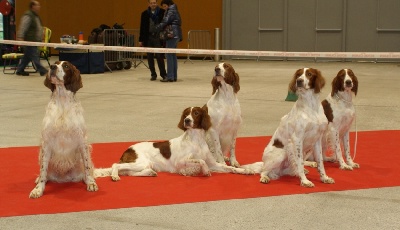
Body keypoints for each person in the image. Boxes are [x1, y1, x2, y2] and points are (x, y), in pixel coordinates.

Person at [15, 0, 47, 76]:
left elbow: (38, 28)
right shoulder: (28, 15)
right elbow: (23, 26)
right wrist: (20, 37)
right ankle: (43, 70)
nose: (39, 7)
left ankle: (20, 70)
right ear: (33, 6)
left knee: (27, 56)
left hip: (35, 40)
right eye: (37, 5)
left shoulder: (36, 16)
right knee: (34, 55)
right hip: (29, 40)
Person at [139, 0, 167, 81]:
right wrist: (141, 40)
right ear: (149, 4)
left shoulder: (162, 12)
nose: (153, 4)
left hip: (159, 37)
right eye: (151, 3)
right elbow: (142, 27)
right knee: (150, 57)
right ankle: (153, 74)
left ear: (156, 3)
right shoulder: (144, 14)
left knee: (159, 57)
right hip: (148, 38)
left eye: (154, 3)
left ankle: (163, 74)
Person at [157, 0, 182, 82]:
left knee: (169, 55)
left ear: (169, 5)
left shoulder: (171, 10)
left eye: (164, 6)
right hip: (176, 34)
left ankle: (170, 76)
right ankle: (174, 76)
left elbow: (166, 21)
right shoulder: (175, 10)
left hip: (171, 34)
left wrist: (157, 27)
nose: (164, 8)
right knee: (173, 55)